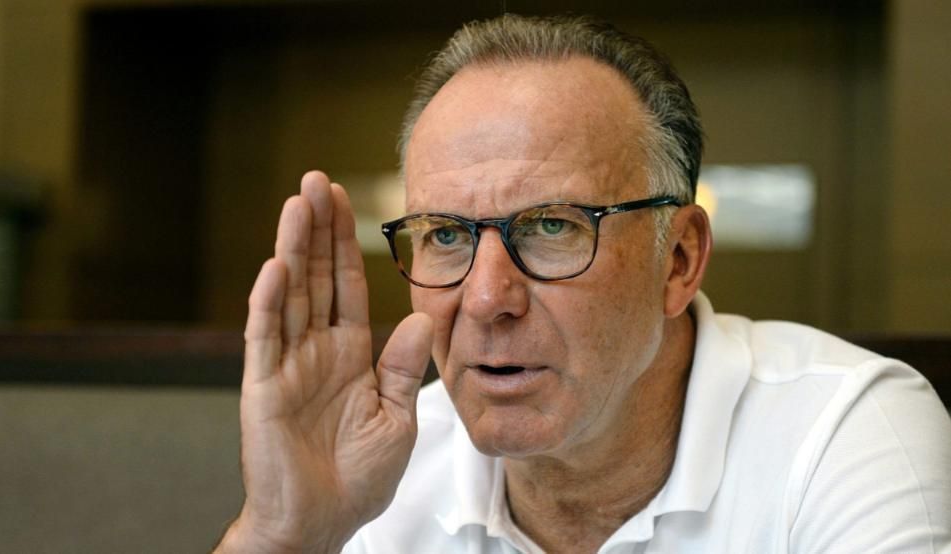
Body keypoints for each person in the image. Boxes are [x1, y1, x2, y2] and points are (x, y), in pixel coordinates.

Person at [215, 14, 951, 554]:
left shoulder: (842, 434)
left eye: (551, 226)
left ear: (678, 259)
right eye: (446, 235)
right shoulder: (383, 471)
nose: (486, 299)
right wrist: (282, 537)